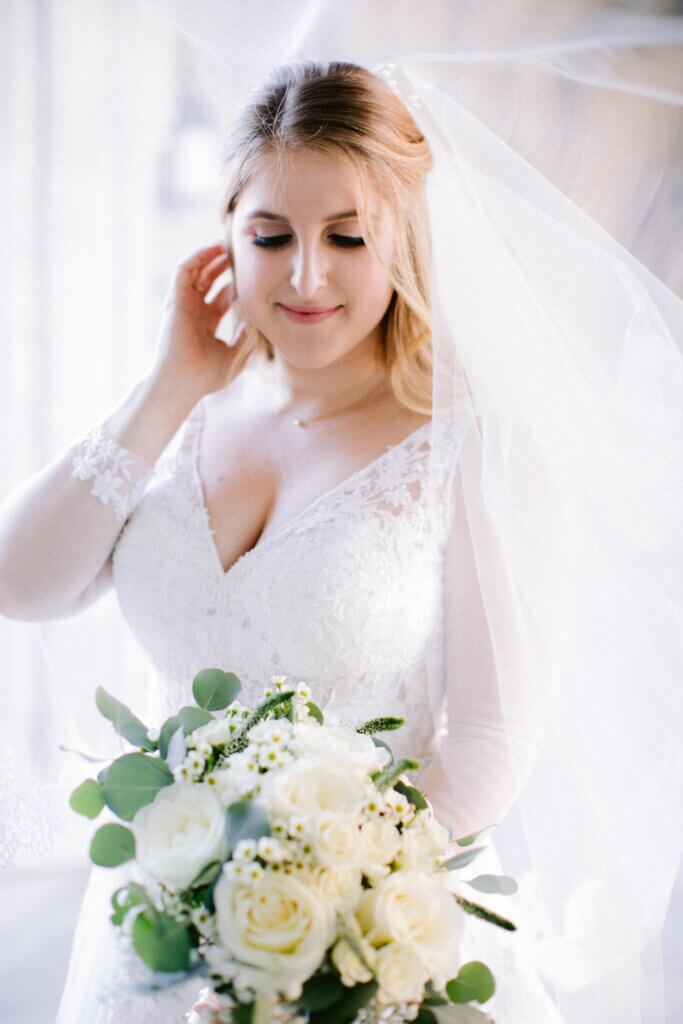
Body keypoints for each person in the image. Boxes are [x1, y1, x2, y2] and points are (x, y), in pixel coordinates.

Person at [2, 44, 682, 1022]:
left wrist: (322, 918)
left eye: (348, 237)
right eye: (271, 234)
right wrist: (165, 387)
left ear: (401, 238)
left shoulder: (470, 441)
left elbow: (489, 739)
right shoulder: (188, 412)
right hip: (150, 936)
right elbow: (21, 584)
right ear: (225, 237)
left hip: (358, 954)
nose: (306, 274)